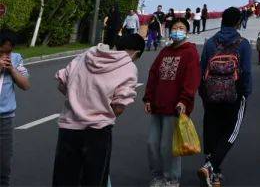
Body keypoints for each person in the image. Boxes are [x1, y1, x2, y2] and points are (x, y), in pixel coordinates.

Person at [52, 33, 144, 186]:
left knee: (64, 179)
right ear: (136, 53)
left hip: (68, 128)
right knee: (93, 180)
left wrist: (77, 100)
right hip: (98, 130)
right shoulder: (128, 67)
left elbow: (62, 84)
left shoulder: (86, 55)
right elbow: (119, 107)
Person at [197, 7, 252, 187]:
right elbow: (247, 71)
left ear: (221, 20)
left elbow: (202, 67)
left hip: (210, 93)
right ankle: (211, 166)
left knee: (212, 129)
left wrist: (203, 92)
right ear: (238, 22)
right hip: (234, 94)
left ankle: (214, 174)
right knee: (231, 132)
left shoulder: (211, 41)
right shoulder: (243, 43)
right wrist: (246, 92)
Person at [144, 17, 200, 187]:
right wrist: (148, 98)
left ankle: (171, 179)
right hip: (157, 105)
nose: (178, 30)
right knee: (152, 144)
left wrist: (184, 100)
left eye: (181, 27)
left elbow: (192, 79)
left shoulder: (190, 52)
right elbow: (153, 74)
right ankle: (157, 176)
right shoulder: (165, 51)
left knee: (167, 146)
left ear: (186, 32)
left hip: (175, 107)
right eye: (175, 27)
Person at [1, 30, 30, 187]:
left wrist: (12, 69)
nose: (6, 54)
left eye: (9, 51)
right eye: (3, 51)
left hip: (5, 118)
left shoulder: (16, 59)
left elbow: (26, 85)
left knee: (4, 163)